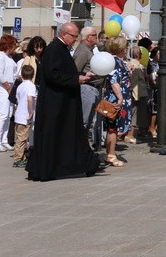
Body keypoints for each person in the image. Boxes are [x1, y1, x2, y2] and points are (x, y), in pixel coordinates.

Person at [26, 23, 100, 181]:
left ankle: (72, 166)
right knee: (54, 133)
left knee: (66, 133)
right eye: (73, 36)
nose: (75, 40)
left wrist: (81, 75)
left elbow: (64, 72)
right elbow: (53, 75)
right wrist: (76, 78)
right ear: (64, 34)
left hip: (63, 101)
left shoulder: (61, 49)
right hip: (56, 102)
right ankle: (52, 168)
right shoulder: (54, 49)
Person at [102, 36, 132, 167]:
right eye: (125, 47)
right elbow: (113, 80)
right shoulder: (115, 62)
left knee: (112, 128)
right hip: (115, 99)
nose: (126, 50)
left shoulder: (116, 61)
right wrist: (120, 97)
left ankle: (110, 153)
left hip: (116, 97)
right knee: (113, 128)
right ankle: (111, 155)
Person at [0, 34, 19, 152]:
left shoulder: (8, 57)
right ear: (9, 45)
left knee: (9, 113)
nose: (15, 48)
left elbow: (11, 73)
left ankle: (4, 140)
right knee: (3, 113)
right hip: (2, 87)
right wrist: (8, 87)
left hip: (9, 86)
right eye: (14, 45)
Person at [73, 27, 103, 131]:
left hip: (92, 88)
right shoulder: (83, 51)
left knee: (88, 121)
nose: (97, 37)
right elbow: (76, 70)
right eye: (95, 35)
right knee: (83, 121)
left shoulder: (88, 50)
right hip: (86, 88)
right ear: (88, 37)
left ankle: (84, 145)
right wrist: (86, 74)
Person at [12, 64, 37, 168]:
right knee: (22, 139)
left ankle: (24, 156)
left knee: (21, 137)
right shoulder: (31, 86)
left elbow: (17, 99)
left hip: (19, 115)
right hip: (25, 116)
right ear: (33, 75)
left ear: (22, 75)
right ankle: (18, 159)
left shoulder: (20, 86)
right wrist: (31, 112)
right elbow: (30, 99)